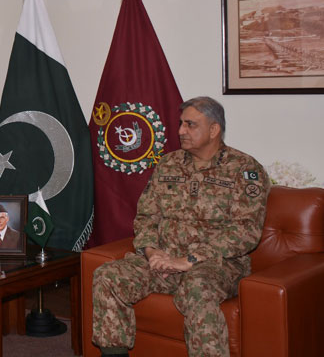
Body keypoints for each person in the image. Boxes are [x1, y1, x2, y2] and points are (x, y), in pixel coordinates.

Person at [92, 97, 270, 357]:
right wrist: (152, 252)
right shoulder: (168, 163)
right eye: (181, 124)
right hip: (164, 259)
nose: (180, 131)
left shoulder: (244, 169)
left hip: (218, 264)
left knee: (197, 288)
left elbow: (246, 232)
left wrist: (189, 260)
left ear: (214, 129)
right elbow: (146, 216)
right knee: (108, 276)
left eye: (190, 125)